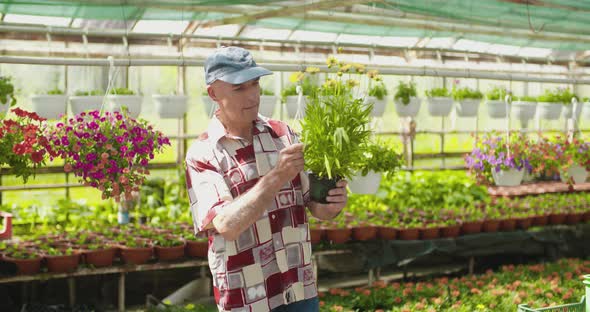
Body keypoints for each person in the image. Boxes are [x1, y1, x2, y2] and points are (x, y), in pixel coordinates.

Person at [185, 46, 348, 312]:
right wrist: (276, 176)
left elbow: (315, 207)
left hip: (298, 287)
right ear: (213, 93)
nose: (252, 96)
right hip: (247, 296)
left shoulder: (283, 134)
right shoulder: (204, 153)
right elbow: (226, 224)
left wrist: (332, 205)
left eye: (255, 84)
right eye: (239, 88)